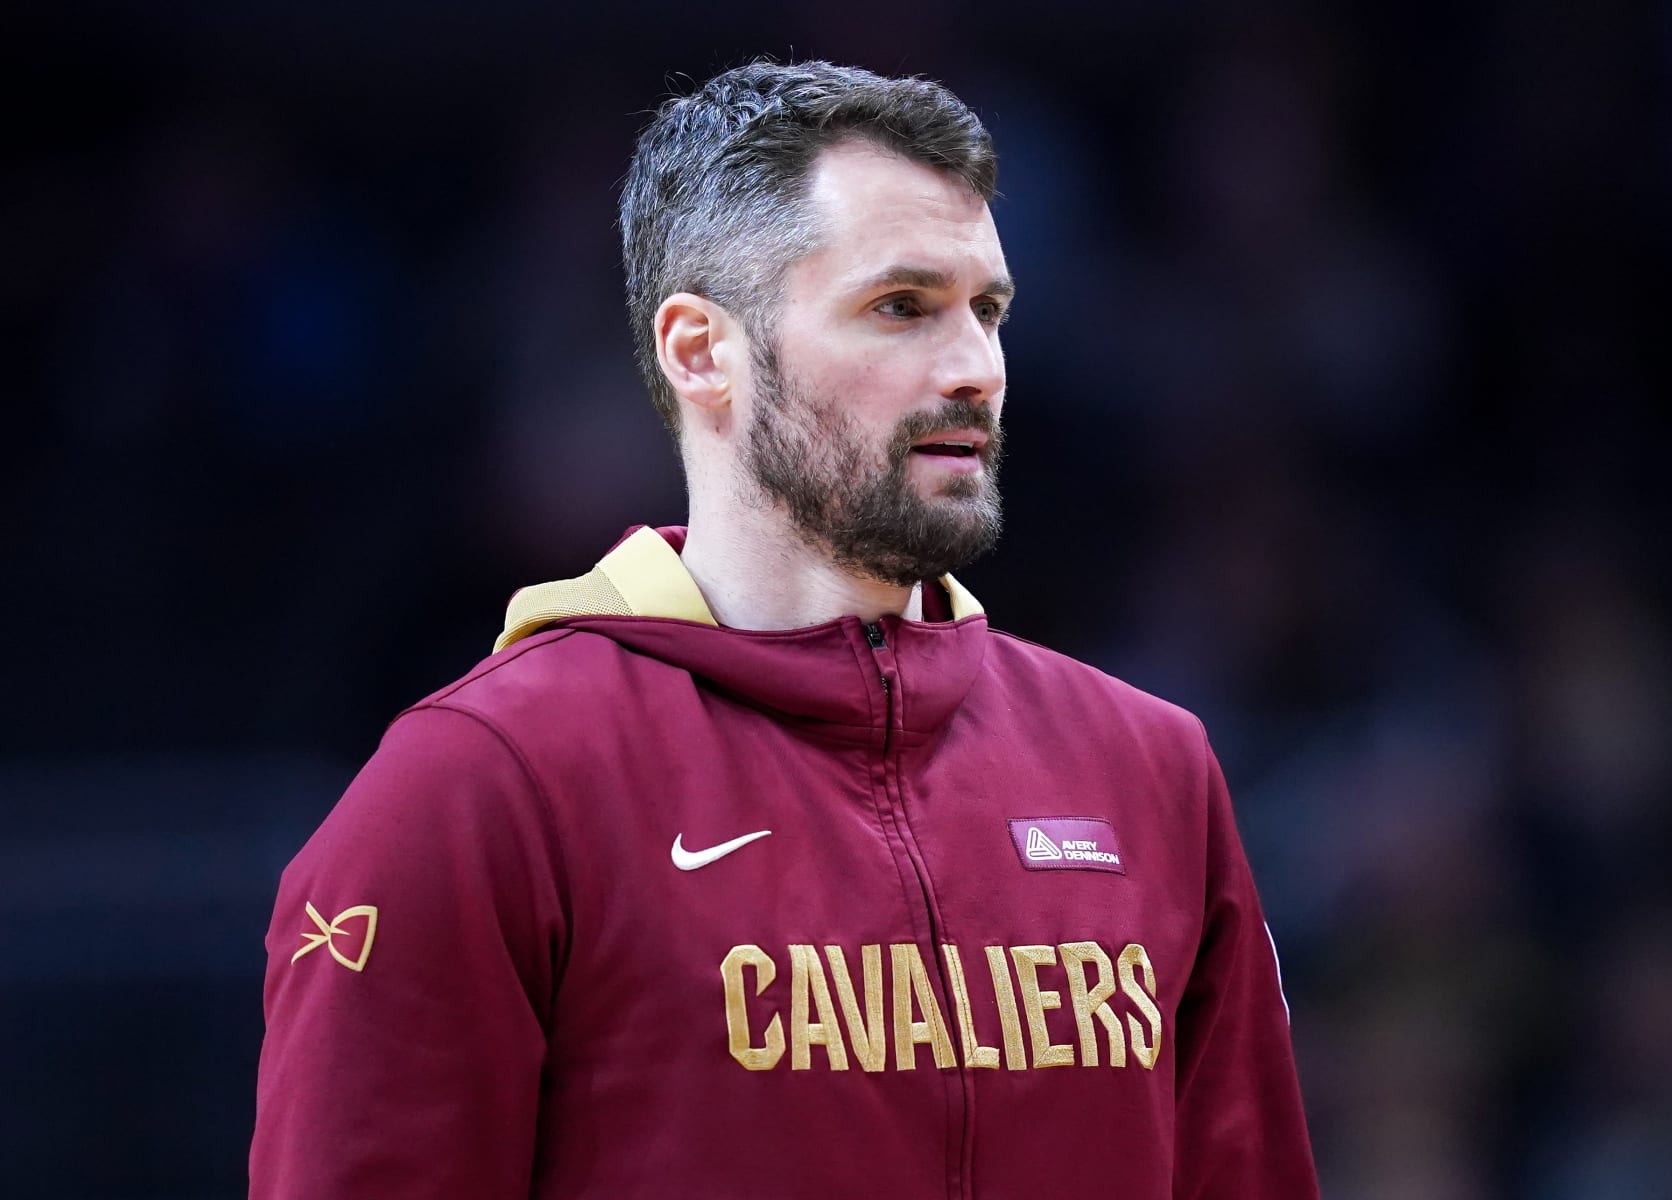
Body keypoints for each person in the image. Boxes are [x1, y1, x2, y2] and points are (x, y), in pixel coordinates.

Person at [250, 60, 1319, 1199]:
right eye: (901, 307)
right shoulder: (481, 788)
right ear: (701, 352)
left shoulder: (1149, 772)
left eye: (988, 310)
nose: (976, 368)